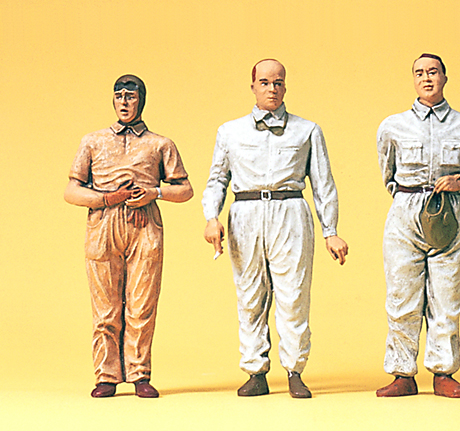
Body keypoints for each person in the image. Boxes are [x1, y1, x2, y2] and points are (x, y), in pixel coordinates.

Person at [202, 59, 348, 398]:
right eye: (265, 82)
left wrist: (331, 230)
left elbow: (323, 183)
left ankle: (295, 370)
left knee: (293, 294)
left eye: (278, 82)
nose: (272, 88)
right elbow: (217, 179)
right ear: (253, 86)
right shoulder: (230, 131)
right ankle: (255, 371)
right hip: (246, 213)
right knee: (250, 295)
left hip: (290, 211)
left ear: (285, 86)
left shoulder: (307, 130)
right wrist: (212, 217)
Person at [64, 75, 193, 398]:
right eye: (119, 95)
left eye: (131, 96)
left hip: (144, 225)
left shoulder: (160, 144)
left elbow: (185, 189)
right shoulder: (93, 141)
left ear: (141, 100)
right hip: (103, 225)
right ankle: (106, 374)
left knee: (142, 304)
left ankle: (139, 373)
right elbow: (71, 191)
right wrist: (106, 198)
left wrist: (154, 192)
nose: (124, 101)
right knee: (105, 306)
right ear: (112, 99)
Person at [376, 54, 460, 398]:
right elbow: (388, 175)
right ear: (413, 79)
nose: (426, 78)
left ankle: (444, 372)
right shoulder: (392, 126)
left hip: (451, 217)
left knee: (447, 298)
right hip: (405, 216)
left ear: (444, 77)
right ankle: (402, 374)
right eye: (419, 73)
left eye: (433, 72)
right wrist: (410, 201)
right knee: (401, 297)